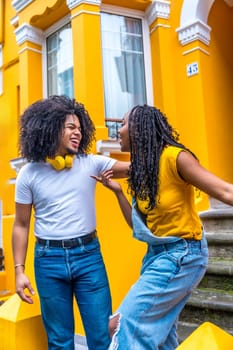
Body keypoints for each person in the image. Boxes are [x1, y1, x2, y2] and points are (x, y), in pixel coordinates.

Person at [93, 104, 233, 350]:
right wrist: (118, 194)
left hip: (183, 255)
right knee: (163, 338)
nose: (119, 130)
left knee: (121, 324)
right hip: (155, 256)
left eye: (123, 124)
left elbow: (224, 190)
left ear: (138, 129)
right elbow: (138, 227)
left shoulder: (174, 157)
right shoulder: (143, 170)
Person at [12, 95, 129, 350]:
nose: (78, 133)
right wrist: (19, 271)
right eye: (71, 128)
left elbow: (133, 168)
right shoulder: (28, 174)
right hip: (48, 261)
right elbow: (21, 224)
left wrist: (164, 155)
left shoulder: (93, 163)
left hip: (88, 257)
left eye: (80, 128)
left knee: (102, 336)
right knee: (60, 341)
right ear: (51, 128)